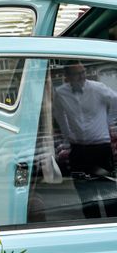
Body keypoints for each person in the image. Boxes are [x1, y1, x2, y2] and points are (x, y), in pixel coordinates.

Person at [53, 61, 117, 219]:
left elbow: (116, 101)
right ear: (67, 77)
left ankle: (111, 225)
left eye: (83, 72)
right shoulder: (61, 92)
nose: (82, 76)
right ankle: (93, 226)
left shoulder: (97, 88)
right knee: (85, 192)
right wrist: (68, 134)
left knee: (107, 190)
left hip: (100, 147)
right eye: (77, 73)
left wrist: (109, 122)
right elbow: (59, 115)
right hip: (78, 149)